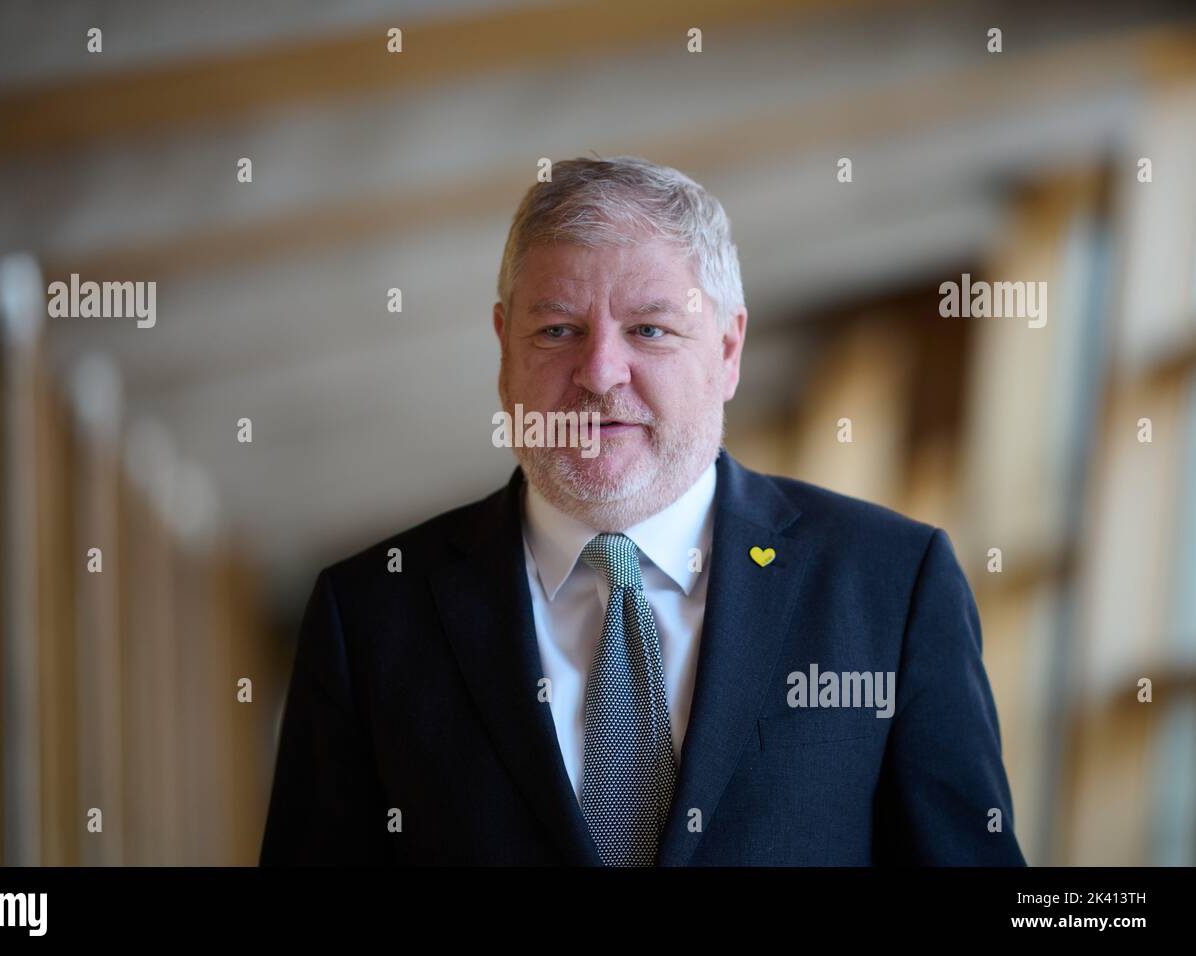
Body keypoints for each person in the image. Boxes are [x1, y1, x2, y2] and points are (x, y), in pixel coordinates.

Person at [260, 155, 1026, 866]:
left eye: (649, 330)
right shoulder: (369, 616)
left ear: (728, 352)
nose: (599, 373)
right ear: (504, 353)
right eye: (557, 330)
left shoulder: (890, 586)